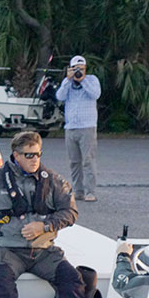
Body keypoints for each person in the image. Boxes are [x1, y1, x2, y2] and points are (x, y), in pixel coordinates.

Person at [0, 130, 84, 298]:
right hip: (8, 250)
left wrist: (45, 226)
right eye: (29, 155)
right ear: (16, 155)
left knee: (73, 281)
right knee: (1, 287)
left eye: (38, 154)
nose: (35, 160)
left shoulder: (53, 181)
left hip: (43, 251)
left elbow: (71, 212)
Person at [55, 54, 101, 203]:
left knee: (88, 160)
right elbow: (60, 96)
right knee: (74, 162)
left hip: (87, 127)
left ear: (85, 68)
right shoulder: (67, 83)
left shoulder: (92, 80)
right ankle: (78, 191)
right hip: (70, 127)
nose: (78, 71)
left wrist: (82, 80)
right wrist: (68, 80)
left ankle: (90, 192)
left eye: (81, 68)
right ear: (70, 69)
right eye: (75, 69)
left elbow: (95, 94)